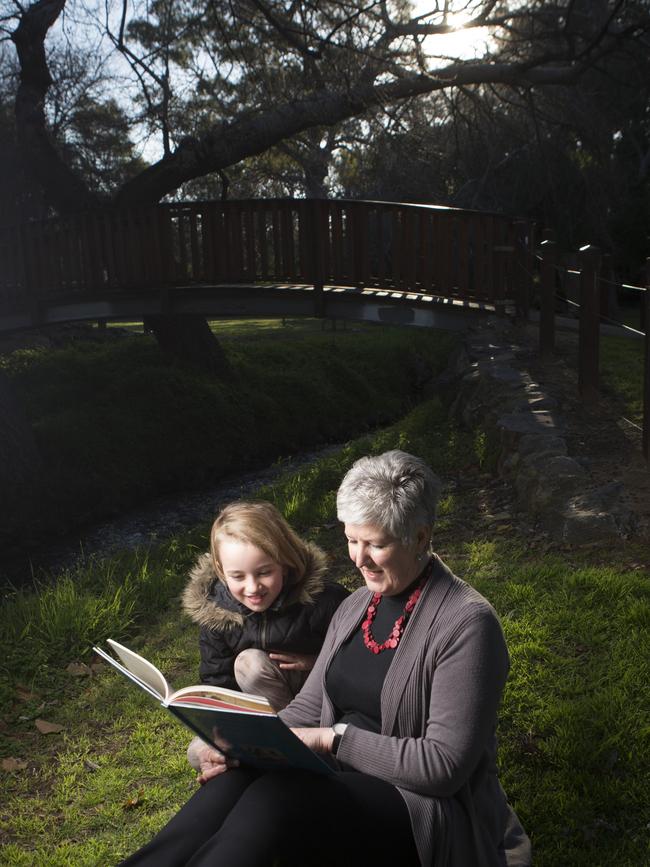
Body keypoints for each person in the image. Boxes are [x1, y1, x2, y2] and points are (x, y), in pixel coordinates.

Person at [119, 451, 531, 867]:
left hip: (421, 807)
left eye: (376, 544)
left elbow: (443, 768)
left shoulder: (467, 624)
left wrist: (332, 738)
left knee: (280, 796)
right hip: (337, 778)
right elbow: (308, 707)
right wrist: (242, 746)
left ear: (420, 537)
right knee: (232, 782)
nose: (358, 558)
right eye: (352, 539)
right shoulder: (355, 607)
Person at [181, 500, 349, 772]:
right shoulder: (216, 614)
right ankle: (265, 753)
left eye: (264, 572)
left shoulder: (323, 600)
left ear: (284, 562)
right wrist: (221, 732)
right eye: (238, 576)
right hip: (265, 711)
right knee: (198, 750)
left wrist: (314, 662)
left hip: (322, 704)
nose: (253, 587)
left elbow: (363, 657)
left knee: (249, 664)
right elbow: (219, 684)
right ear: (221, 571)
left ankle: (295, 750)